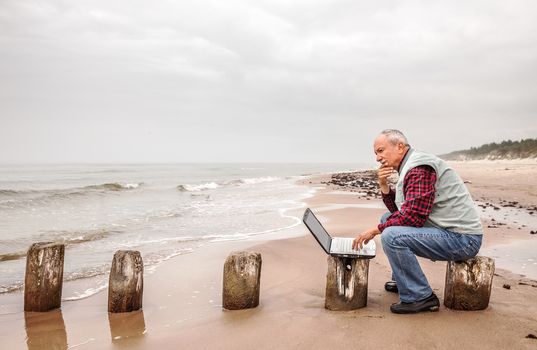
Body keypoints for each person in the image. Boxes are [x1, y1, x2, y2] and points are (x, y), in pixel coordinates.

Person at [352, 129, 483, 314]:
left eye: (381, 151)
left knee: (391, 236)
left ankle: (420, 296)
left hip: (463, 239)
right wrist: (383, 185)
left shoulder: (419, 168)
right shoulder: (410, 166)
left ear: (399, 147)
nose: (377, 158)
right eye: (376, 153)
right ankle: (404, 280)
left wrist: (375, 230)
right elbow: (400, 213)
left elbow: (413, 217)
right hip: (449, 232)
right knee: (387, 220)